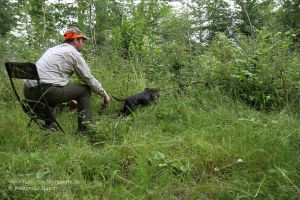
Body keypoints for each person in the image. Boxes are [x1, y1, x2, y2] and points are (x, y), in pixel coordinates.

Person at [23, 27, 110, 133]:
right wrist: (104, 94)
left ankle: (49, 127)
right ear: (75, 40)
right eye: (82, 41)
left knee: (54, 91)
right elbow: (88, 78)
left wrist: (69, 99)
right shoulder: (73, 53)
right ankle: (85, 130)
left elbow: (55, 78)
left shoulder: (53, 50)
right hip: (46, 92)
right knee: (85, 90)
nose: (83, 44)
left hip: (28, 93)